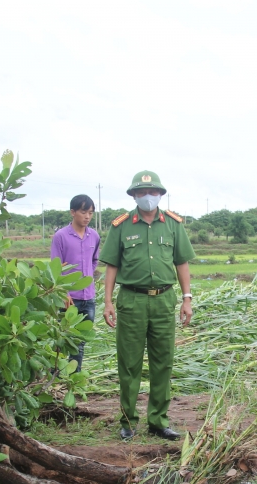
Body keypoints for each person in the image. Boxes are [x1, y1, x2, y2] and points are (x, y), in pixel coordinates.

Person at [100, 171, 195, 441]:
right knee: (129, 363)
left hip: (164, 299)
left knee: (162, 362)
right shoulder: (121, 226)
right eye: (141, 193)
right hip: (131, 299)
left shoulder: (174, 225)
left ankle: (158, 421)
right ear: (134, 196)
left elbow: (182, 263)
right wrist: (107, 301)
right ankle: (128, 422)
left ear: (160, 195)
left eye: (152, 192)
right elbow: (112, 265)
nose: (147, 197)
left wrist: (187, 299)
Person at [51, 194, 101, 372]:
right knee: (61, 339)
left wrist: (87, 274)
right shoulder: (61, 237)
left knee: (79, 341)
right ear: (73, 212)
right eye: (83, 212)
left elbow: (94, 260)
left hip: (89, 298)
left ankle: (73, 378)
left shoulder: (94, 236)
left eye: (90, 213)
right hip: (68, 298)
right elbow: (55, 267)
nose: (87, 216)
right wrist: (64, 292)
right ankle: (54, 377)